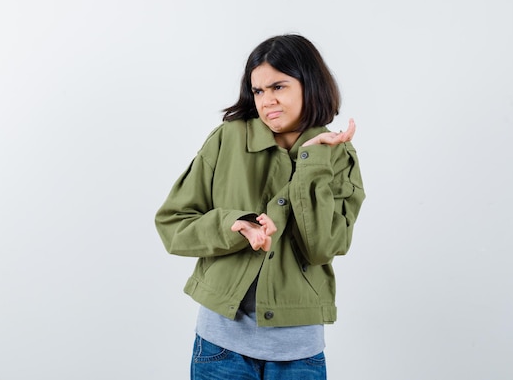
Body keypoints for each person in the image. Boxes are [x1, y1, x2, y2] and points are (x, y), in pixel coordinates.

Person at [154, 34, 366, 380]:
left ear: (309, 85)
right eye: (258, 91)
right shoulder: (228, 139)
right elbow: (172, 224)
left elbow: (324, 248)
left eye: (278, 87)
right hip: (221, 346)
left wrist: (312, 163)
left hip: (300, 351)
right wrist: (233, 226)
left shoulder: (337, 155)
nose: (267, 101)